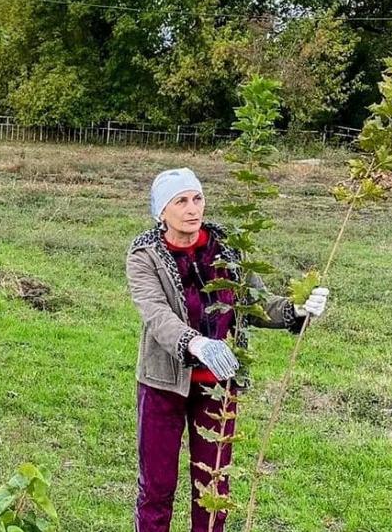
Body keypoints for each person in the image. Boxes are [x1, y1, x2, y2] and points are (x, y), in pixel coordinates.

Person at [126, 168, 330, 532]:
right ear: (161, 212)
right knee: (157, 488)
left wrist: (296, 309)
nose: (193, 208)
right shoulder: (145, 255)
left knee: (213, 488)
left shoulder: (227, 249)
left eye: (198, 198)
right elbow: (156, 314)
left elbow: (256, 303)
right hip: (162, 384)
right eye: (181, 201)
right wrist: (195, 343)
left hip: (218, 387)